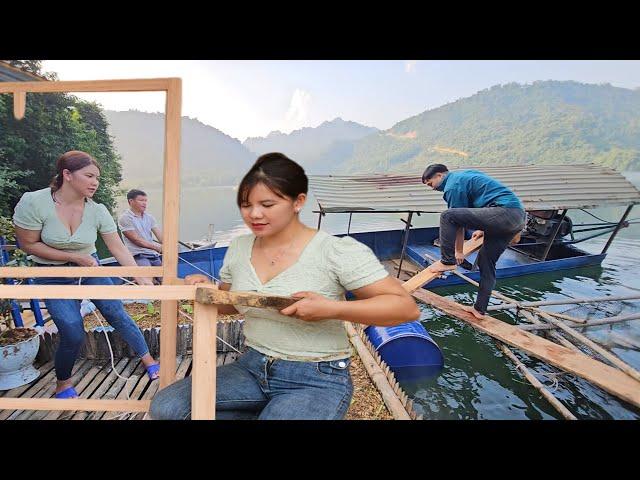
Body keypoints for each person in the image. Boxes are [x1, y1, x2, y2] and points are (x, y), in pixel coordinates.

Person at [149, 152, 420, 420]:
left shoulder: (335, 251)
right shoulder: (239, 248)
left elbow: (404, 308)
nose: (254, 214)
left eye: (267, 204)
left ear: (298, 202)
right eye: (246, 205)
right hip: (253, 367)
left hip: (316, 376)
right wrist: (206, 288)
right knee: (167, 408)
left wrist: (331, 308)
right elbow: (229, 304)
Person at [13, 150, 160, 399]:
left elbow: (118, 248)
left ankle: (148, 359)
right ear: (67, 175)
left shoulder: (98, 210)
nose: (95, 182)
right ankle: (63, 382)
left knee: (116, 313)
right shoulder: (34, 202)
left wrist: (143, 279)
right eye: (89, 176)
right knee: (72, 330)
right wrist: (73, 257)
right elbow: (28, 244)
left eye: (98, 178)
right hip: (51, 275)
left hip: (90, 270)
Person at [422, 164, 526, 319]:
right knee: (486, 262)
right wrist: (484, 226)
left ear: (439, 175)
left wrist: (458, 252)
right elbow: (486, 198)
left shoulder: (452, 185)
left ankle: (447, 260)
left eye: (431, 184)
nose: (432, 188)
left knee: (447, 216)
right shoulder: (464, 175)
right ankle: (479, 309)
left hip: (504, 213)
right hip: (516, 218)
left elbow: (457, 223)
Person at [118, 189, 163, 284]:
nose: (144, 203)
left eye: (145, 201)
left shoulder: (149, 217)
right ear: (131, 201)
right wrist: (157, 248)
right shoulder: (125, 218)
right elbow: (136, 240)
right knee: (147, 280)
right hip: (138, 256)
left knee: (166, 279)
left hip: (154, 254)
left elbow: (160, 236)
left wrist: (169, 246)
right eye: (141, 200)